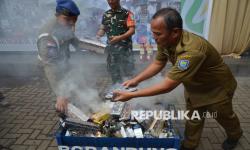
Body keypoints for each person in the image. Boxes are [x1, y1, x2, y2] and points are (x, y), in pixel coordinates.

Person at [113, 8, 242, 150]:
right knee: (194, 118)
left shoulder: (192, 51)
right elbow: (158, 63)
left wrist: (131, 95)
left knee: (224, 117)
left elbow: (167, 86)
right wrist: (136, 80)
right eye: (153, 33)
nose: (154, 38)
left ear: (175, 32)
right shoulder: (165, 39)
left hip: (217, 88)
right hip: (195, 87)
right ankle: (189, 145)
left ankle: (235, 134)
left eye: (157, 34)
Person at [37, 0, 87, 113]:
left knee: (75, 89)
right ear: (57, 15)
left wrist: (89, 47)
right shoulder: (48, 35)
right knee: (62, 102)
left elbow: (73, 39)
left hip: (63, 64)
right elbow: (50, 66)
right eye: (68, 19)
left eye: (74, 20)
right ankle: (64, 118)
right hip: (51, 70)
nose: (71, 23)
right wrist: (60, 95)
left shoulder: (65, 23)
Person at [96, 0, 136, 84]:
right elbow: (102, 28)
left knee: (127, 71)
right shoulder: (106, 14)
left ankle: (129, 91)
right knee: (113, 70)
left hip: (125, 49)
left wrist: (119, 38)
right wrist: (99, 34)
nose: (110, 2)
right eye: (108, 0)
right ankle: (116, 89)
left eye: (112, 0)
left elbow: (132, 30)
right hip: (112, 50)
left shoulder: (127, 13)